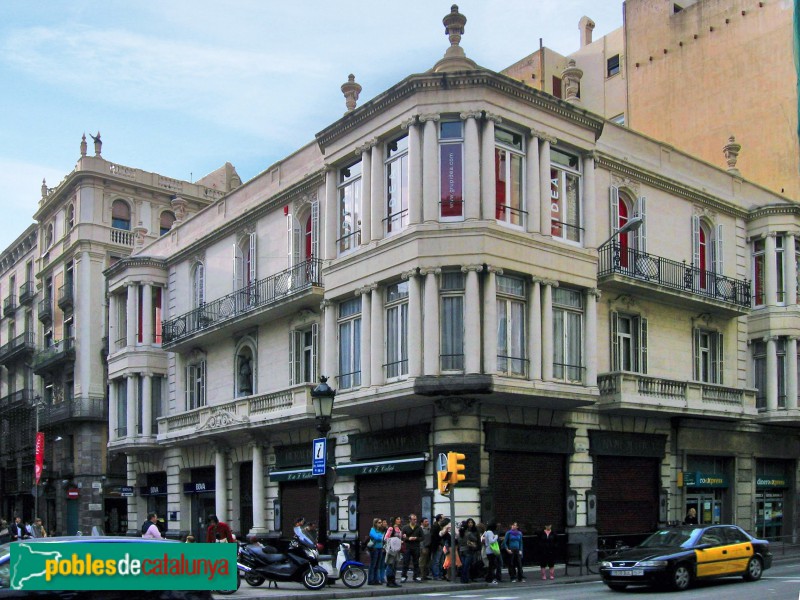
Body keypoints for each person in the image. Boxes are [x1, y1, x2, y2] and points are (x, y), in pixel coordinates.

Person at [401, 513, 423, 582]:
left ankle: (416, 576)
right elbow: (402, 537)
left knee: (416, 562)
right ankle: (404, 576)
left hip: (416, 546)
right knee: (406, 561)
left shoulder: (419, 528)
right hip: (407, 546)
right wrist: (408, 538)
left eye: (416, 519)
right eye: (413, 519)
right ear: (410, 520)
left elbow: (422, 537)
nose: (415, 521)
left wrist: (416, 538)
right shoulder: (405, 527)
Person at [383, 516, 403, 588]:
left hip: (397, 550)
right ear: (394, 520)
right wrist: (394, 540)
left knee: (395, 565)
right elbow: (386, 538)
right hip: (391, 550)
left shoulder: (399, 529)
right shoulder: (391, 528)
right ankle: (389, 581)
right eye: (398, 519)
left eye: (399, 519)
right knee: (390, 565)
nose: (399, 520)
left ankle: (393, 580)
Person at [459, 519, 479, 584]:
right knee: (466, 566)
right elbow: (475, 539)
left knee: (463, 565)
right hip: (468, 550)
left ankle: (462, 579)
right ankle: (465, 579)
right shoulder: (469, 533)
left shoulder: (460, 534)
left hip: (461, 550)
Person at [367, 518, 384, 585]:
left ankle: (376, 579)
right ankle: (370, 580)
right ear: (375, 523)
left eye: (381, 522)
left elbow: (383, 537)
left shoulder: (380, 530)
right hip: (374, 548)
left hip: (380, 548)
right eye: (379, 522)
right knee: (373, 564)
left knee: (378, 565)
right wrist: (380, 537)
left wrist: (380, 537)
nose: (381, 524)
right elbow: (377, 538)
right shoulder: (372, 530)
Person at [429, 514, 444, 580]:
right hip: (438, 546)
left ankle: (439, 574)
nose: (444, 519)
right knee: (436, 561)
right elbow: (434, 537)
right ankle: (436, 575)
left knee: (441, 561)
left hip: (441, 545)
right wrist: (438, 544)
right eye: (443, 518)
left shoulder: (440, 526)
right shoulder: (435, 526)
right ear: (440, 519)